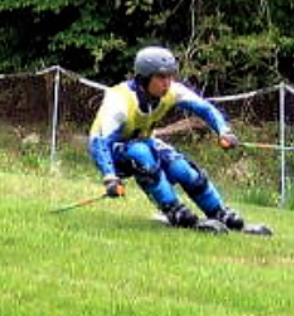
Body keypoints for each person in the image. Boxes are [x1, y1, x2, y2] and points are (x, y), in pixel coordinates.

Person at [88, 45, 244, 231]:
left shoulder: (172, 91)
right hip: (112, 151)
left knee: (180, 167)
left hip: (144, 141)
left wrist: (224, 131)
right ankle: (172, 209)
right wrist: (110, 177)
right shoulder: (120, 101)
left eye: (170, 76)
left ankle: (218, 212)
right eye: (161, 77)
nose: (167, 83)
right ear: (144, 78)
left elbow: (204, 108)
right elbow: (99, 142)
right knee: (141, 152)